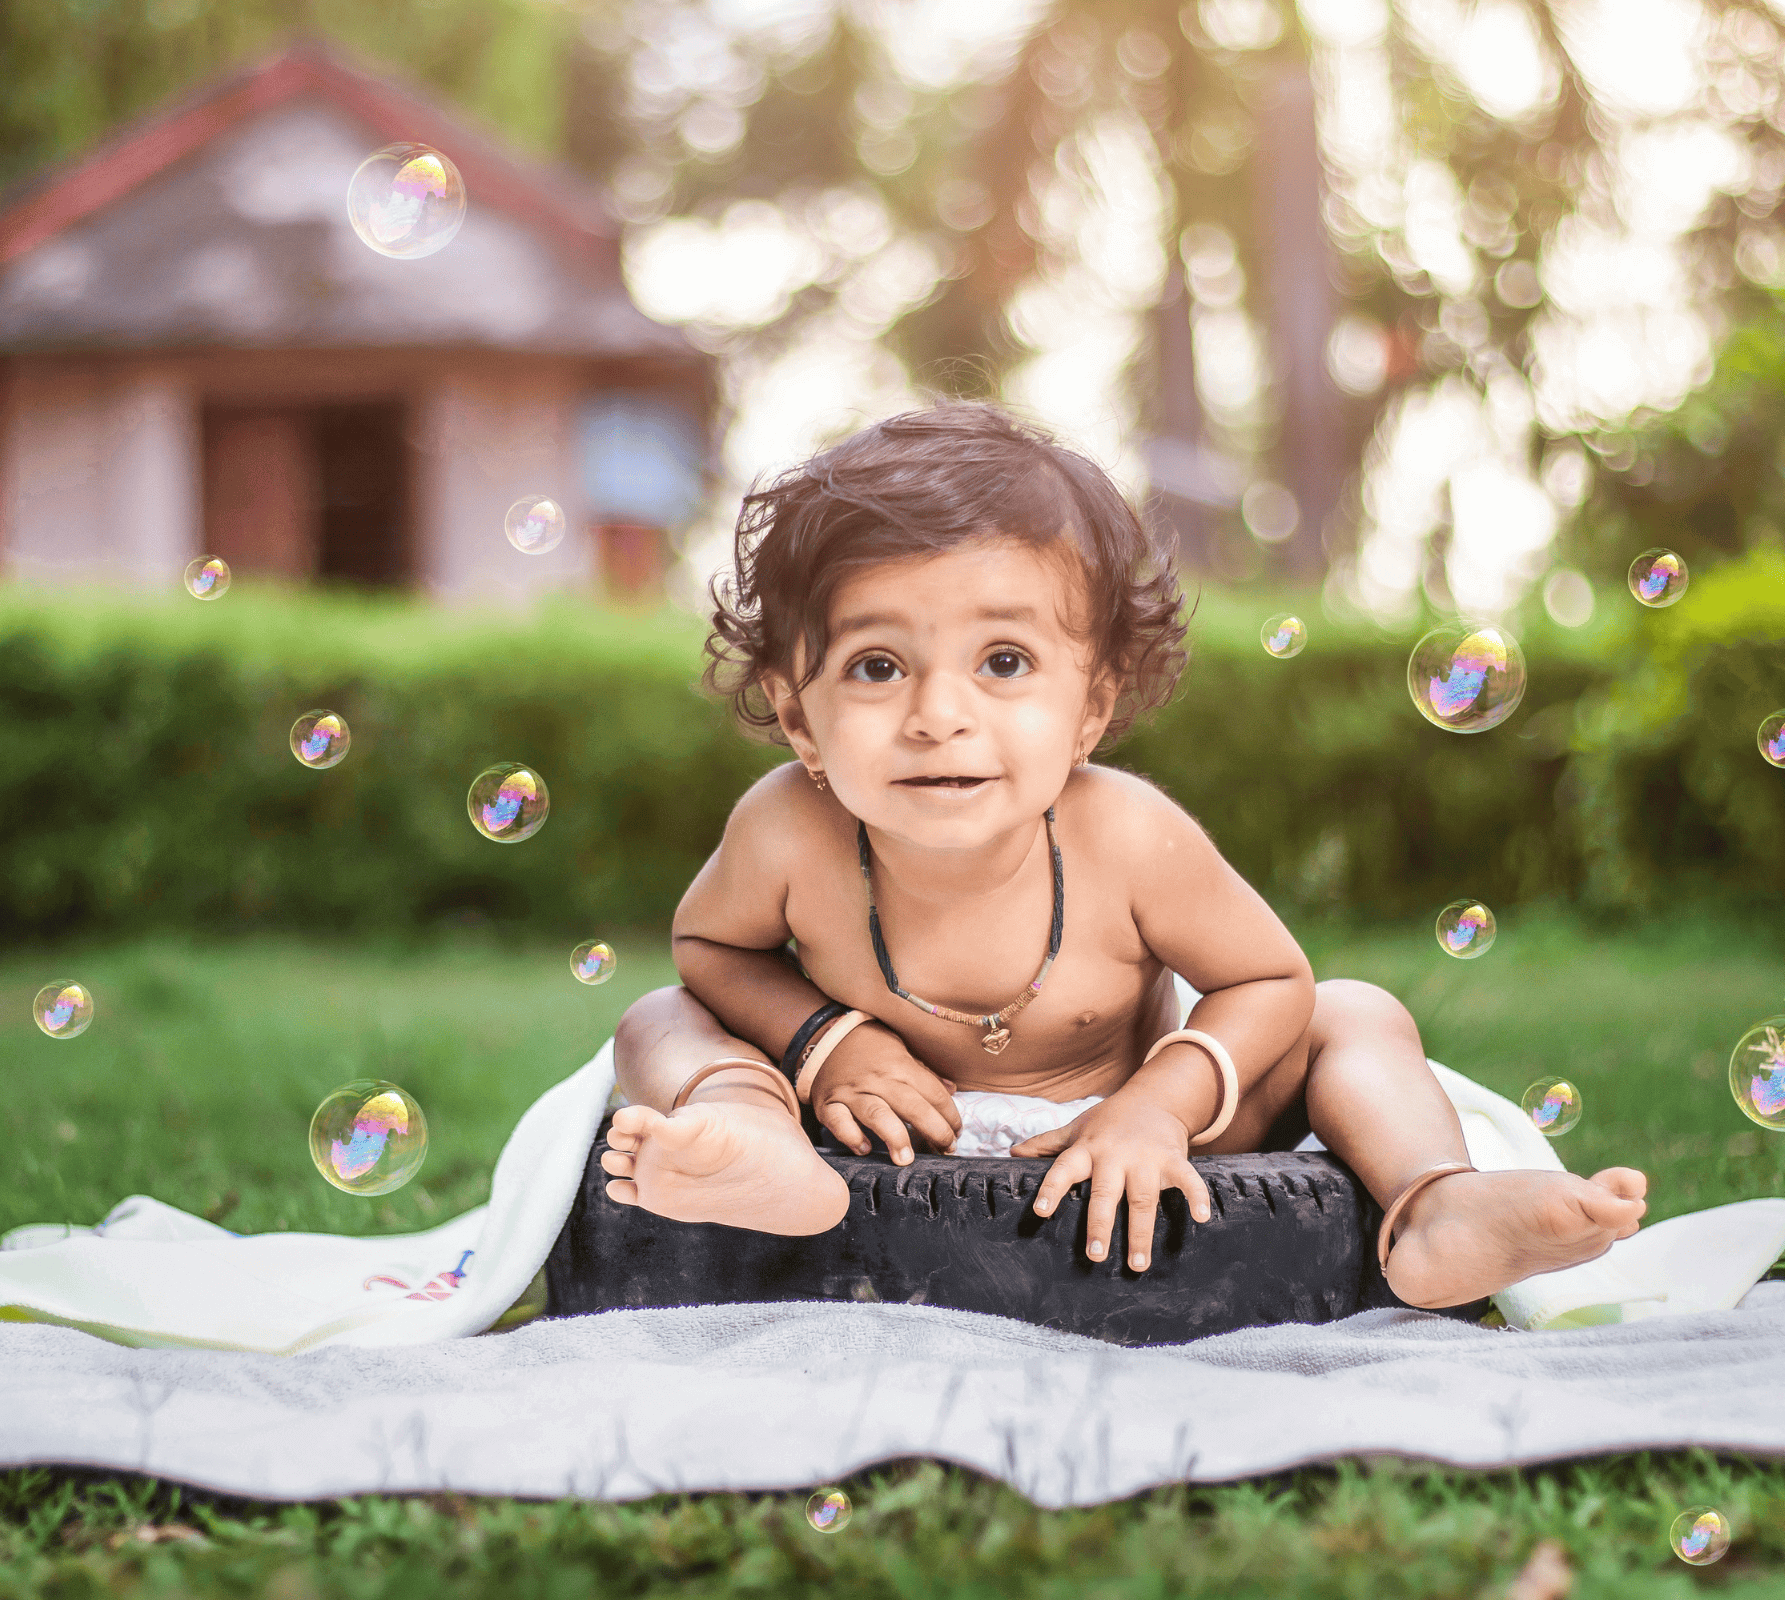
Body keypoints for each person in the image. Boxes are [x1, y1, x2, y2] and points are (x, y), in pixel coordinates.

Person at [600, 401, 1647, 1309]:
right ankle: (754, 1147)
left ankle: (1434, 1204)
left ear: (1090, 705)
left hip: (1132, 1113)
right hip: (879, 1125)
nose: (937, 715)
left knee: (1354, 1010)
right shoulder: (786, 827)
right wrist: (823, 1041)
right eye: (877, 665)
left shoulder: (1125, 831)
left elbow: (1267, 977)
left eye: (1002, 661)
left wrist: (1158, 1106)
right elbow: (711, 948)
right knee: (656, 1018)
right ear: (797, 715)